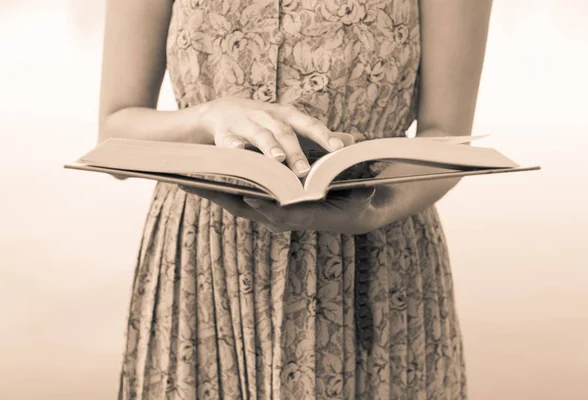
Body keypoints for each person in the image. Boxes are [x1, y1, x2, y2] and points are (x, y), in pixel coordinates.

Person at [99, 0, 492, 398]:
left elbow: (445, 133)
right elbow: (114, 132)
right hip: (201, 261)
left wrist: (378, 207)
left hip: (375, 256)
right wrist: (209, 117)